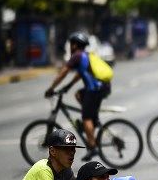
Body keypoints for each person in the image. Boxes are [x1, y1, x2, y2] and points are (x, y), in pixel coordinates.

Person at [45, 32, 111, 161]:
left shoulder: (76, 56)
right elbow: (81, 74)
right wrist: (68, 87)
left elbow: (63, 73)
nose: (70, 46)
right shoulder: (85, 55)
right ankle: (92, 120)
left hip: (95, 89)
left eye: (71, 44)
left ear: (74, 45)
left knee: (86, 117)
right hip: (102, 87)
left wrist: (51, 88)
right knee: (78, 94)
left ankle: (92, 147)